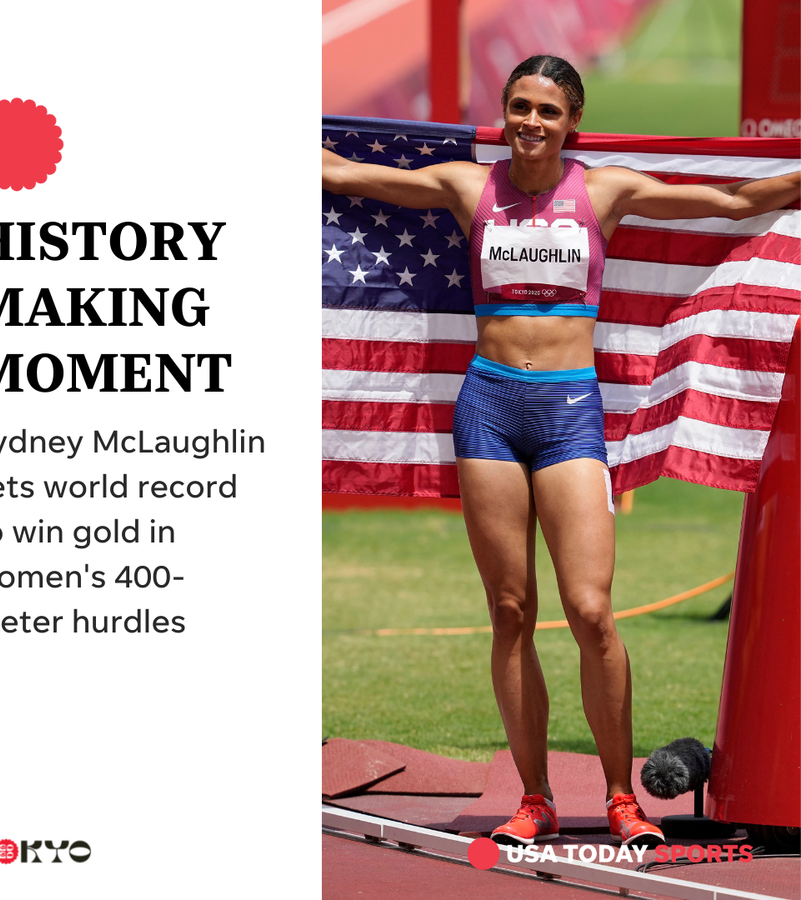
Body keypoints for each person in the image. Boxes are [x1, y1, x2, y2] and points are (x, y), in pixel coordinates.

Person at [322, 55, 800, 848]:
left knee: (590, 609)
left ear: (572, 120)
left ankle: (621, 797)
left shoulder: (603, 190)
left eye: (547, 110)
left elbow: (731, 201)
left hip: (570, 413)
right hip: (488, 409)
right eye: (519, 106)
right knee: (510, 612)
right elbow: (341, 174)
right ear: (505, 111)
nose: (530, 122)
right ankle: (535, 797)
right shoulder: (467, 187)